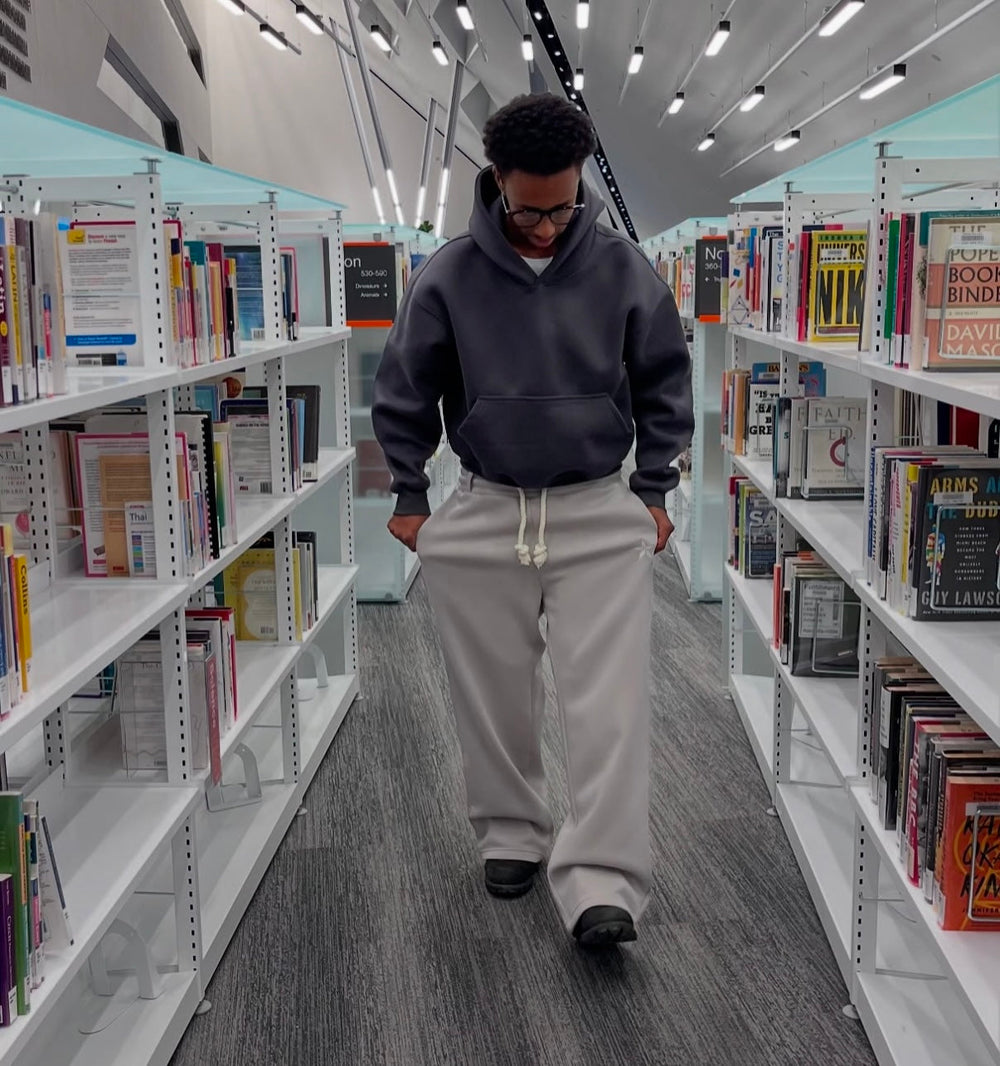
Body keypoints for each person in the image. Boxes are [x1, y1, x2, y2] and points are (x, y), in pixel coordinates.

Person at [372, 93, 694, 948]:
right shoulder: (448, 275)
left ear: (580, 184)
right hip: (485, 505)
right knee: (490, 693)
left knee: (609, 705)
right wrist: (410, 494)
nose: (546, 228)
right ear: (496, 183)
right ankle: (511, 833)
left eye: (562, 208)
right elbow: (404, 387)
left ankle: (603, 882)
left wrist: (654, 491)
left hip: (597, 510)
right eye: (527, 210)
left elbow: (665, 382)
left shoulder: (624, 268)